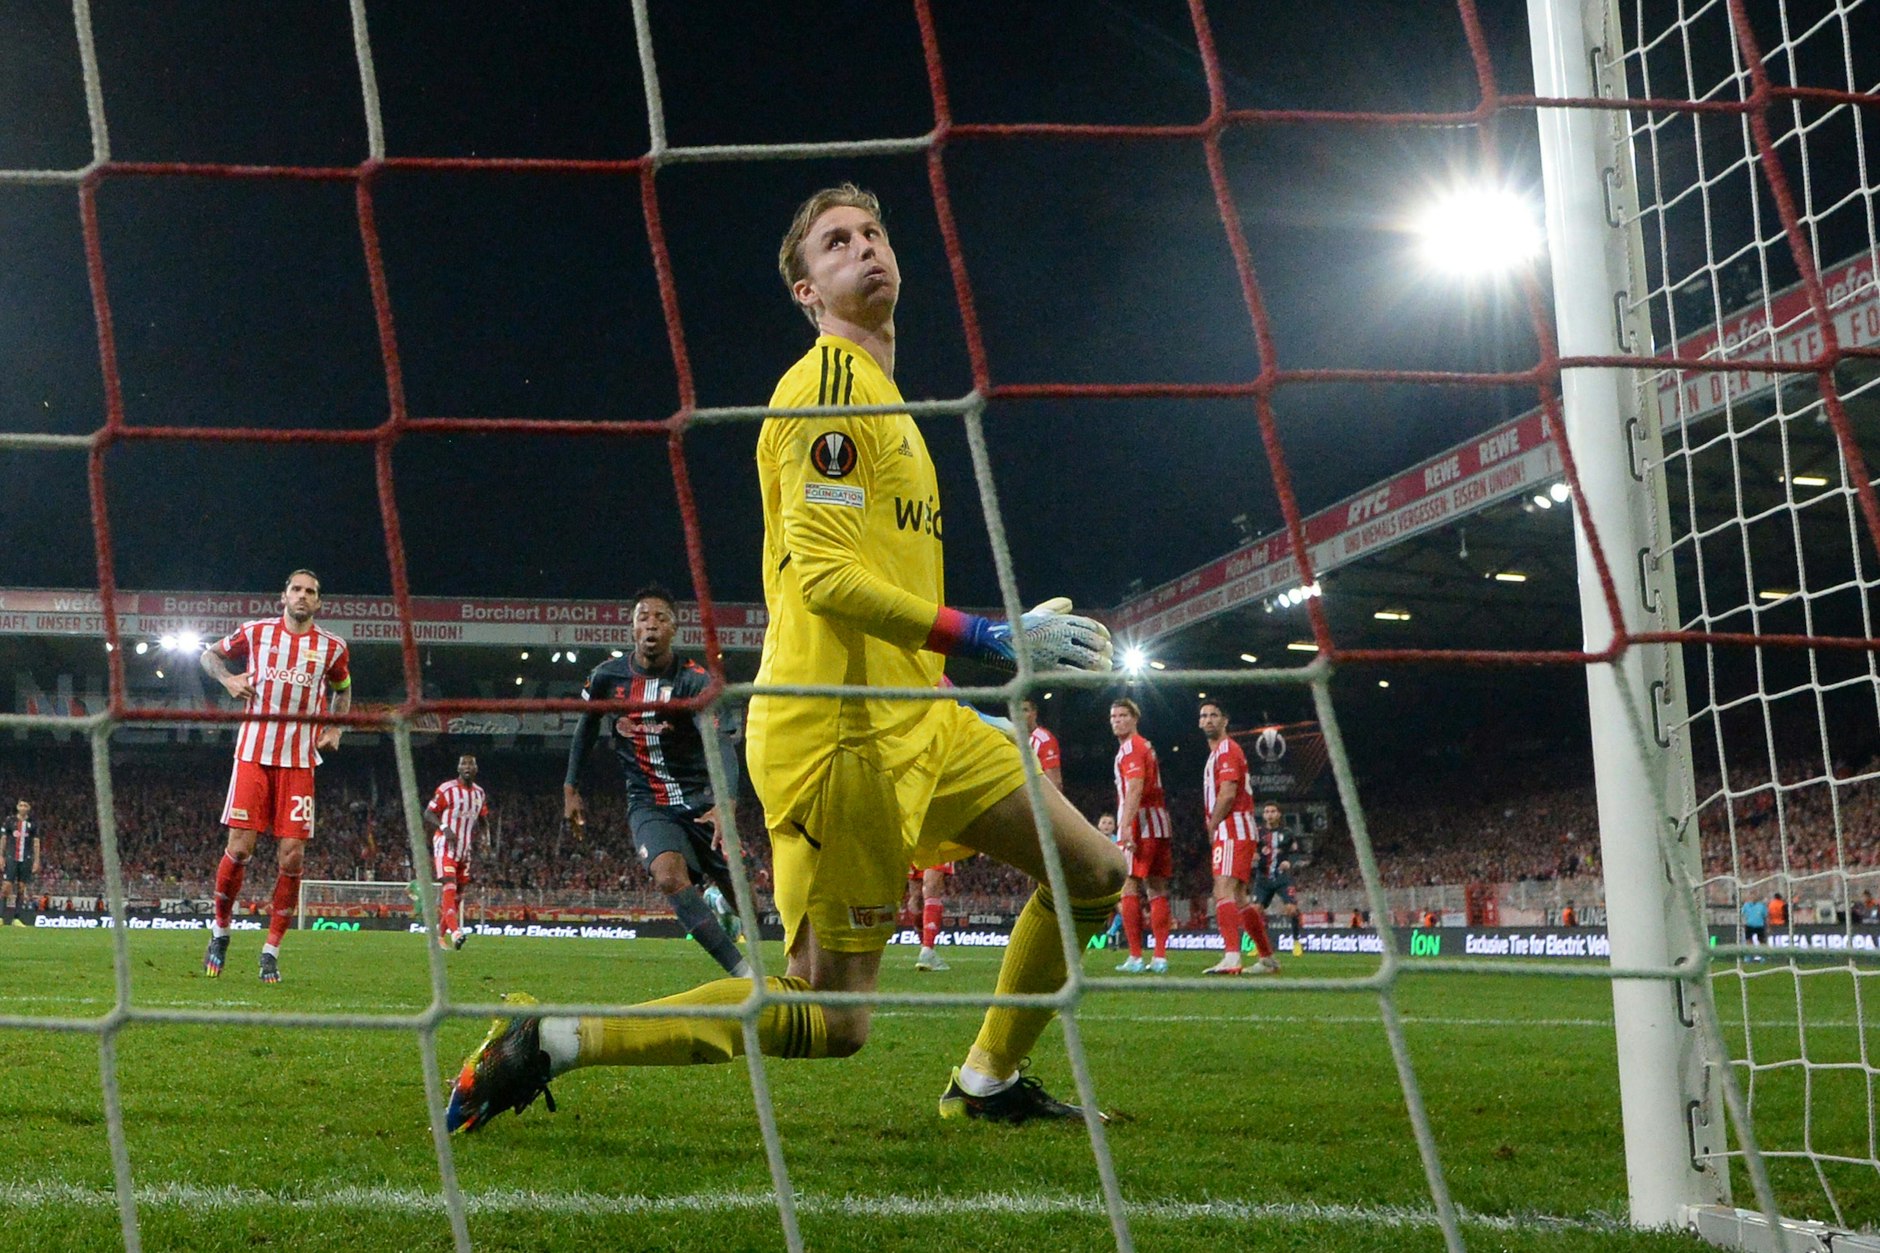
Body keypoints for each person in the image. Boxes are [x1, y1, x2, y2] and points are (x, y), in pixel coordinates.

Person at [446, 184, 1121, 1134]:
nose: (865, 249)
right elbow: (832, 579)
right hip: (844, 733)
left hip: (920, 716)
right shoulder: (827, 390)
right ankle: (558, 1036)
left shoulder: (890, 400)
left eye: (873, 233)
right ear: (808, 290)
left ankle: (988, 1081)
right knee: (833, 1016)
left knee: (1091, 870)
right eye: (837, 243)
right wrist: (989, 637)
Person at [564, 584, 749, 978]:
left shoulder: (695, 681)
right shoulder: (605, 678)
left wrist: (727, 801)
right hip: (648, 803)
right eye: (643, 616)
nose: (651, 624)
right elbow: (585, 729)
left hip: (701, 801)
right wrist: (571, 787)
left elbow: (720, 741)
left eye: (660, 618)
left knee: (744, 895)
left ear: (674, 629)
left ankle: (789, 966)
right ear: (632, 628)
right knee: (667, 875)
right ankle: (743, 974)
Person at [199, 569, 352, 984]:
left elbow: (343, 687)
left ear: (319, 603)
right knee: (241, 848)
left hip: (300, 761)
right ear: (283, 596)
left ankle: (270, 951)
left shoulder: (332, 647)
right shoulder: (256, 632)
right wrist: (228, 679)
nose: (303, 596)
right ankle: (220, 931)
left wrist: (337, 726)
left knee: (293, 857)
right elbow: (207, 655)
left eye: (311, 592)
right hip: (253, 755)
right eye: (297, 589)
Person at [1196, 702, 1278, 976]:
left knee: (1223, 889)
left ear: (1225, 720)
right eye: (1204, 716)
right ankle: (1266, 958)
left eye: (1213, 715)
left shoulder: (1228, 750)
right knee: (1240, 897)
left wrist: (1212, 823)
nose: (1208, 720)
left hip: (1233, 827)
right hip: (1235, 828)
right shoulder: (1217, 753)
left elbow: (1229, 793)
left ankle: (1232, 956)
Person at [1110, 697, 1172, 974]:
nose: (1117, 720)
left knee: (1130, 887)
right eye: (1113, 717)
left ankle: (1135, 956)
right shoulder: (1144, 746)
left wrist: (1125, 825)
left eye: (1123, 715)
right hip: (1158, 822)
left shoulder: (1132, 748)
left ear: (1135, 718)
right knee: (1157, 888)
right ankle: (1159, 957)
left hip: (1141, 823)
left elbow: (1135, 787)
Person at [424, 754, 489, 950]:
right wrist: (444, 827)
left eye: (471, 763)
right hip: (445, 845)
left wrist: (487, 841)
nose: (467, 766)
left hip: (464, 849)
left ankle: (439, 936)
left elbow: (484, 820)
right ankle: (456, 932)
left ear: (476, 768)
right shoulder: (447, 789)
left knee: (458, 894)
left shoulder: (479, 793)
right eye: (463, 763)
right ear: (458, 768)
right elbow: (428, 813)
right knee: (449, 887)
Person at [1253, 802, 1303, 957]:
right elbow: (1251, 850)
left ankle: (1296, 941)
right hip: (1263, 878)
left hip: (1282, 878)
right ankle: (1259, 945)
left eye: (1273, 811)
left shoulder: (1287, 833)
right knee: (1255, 911)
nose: (1269, 814)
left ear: (1279, 814)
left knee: (1292, 910)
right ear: (1263, 815)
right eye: (1267, 811)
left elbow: (1297, 852)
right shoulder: (1258, 833)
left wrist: (1291, 862)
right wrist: (1253, 856)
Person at [910, 861, 953, 972]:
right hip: (937, 844)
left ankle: (925, 950)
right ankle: (927, 950)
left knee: (916, 897)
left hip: (914, 845)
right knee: (930, 889)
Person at [4, 800, 41, 927]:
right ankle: (1, 917)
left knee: (21, 888)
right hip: (11, 857)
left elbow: (36, 842)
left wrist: (36, 860)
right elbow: (3, 839)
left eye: (26, 805)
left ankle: (16, 918)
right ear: (17, 807)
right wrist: (1, 856)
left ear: (29, 808)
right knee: (6, 887)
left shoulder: (33, 824)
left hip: (26, 858)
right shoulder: (10, 821)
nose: (23, 807)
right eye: (21, 805)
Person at [1021, 698, 1062, 790]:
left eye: (1025, 710)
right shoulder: (1012, 737)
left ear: (1034, 713)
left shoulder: (1043, 740)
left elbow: (1054, 782)